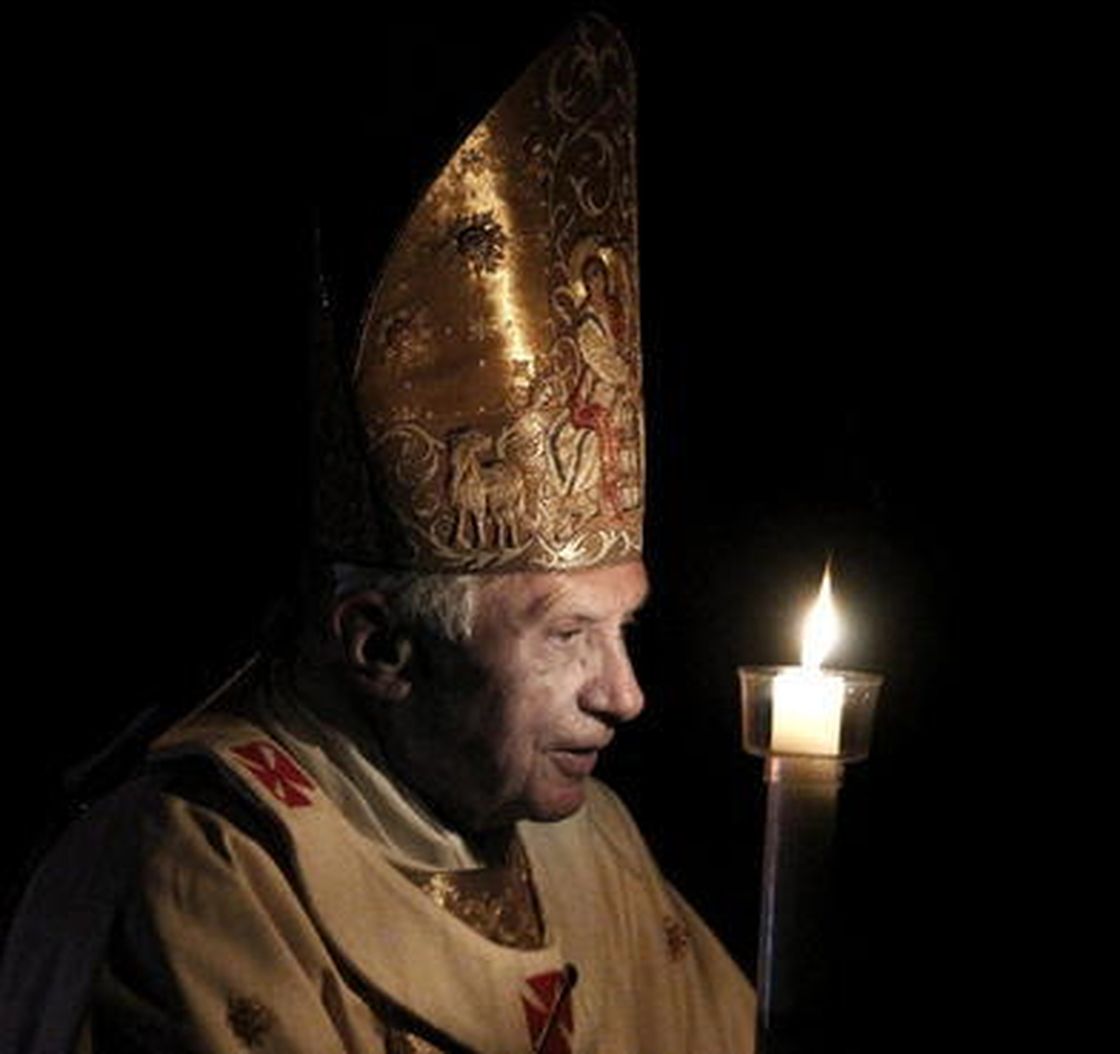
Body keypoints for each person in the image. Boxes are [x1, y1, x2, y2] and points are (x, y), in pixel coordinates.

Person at [0, 13, 755, 1053]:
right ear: (379, 644)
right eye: (565, 635)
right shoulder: (201, 866)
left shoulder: (592, 842)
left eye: (622, 630)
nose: (623, 695)